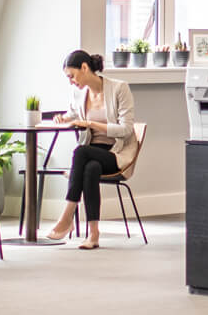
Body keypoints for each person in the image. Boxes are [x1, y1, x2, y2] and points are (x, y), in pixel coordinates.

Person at [45, 49, 138, 250]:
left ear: (85, 68)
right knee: (90, 168)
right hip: (93, 153)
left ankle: (67, 215)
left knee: (80, 152)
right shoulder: (78, 93)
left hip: (116, 152)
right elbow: (72, 113)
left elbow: (126, 129)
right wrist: (63, 118)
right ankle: (93, 234)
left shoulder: (119, 88)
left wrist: (91, 124)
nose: (70, 81)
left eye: (72, 75)